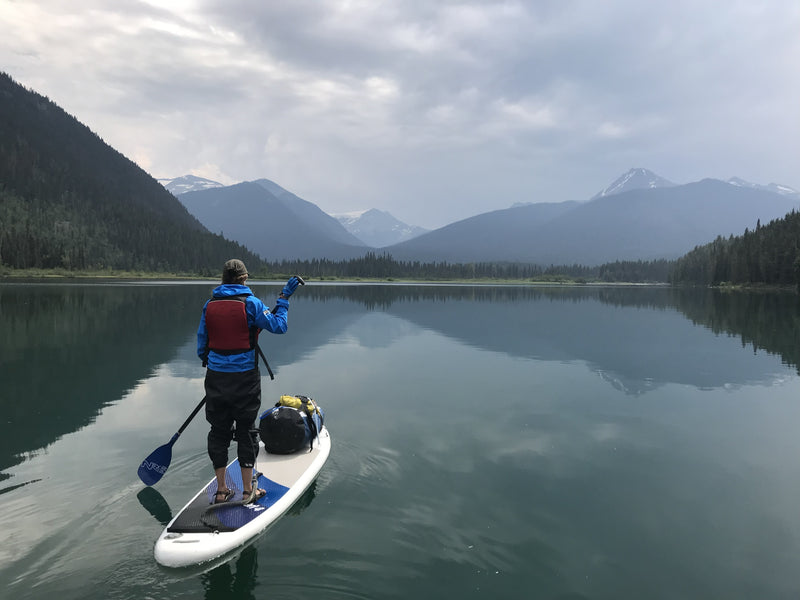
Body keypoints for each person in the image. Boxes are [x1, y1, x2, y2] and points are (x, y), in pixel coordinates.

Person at [196, 259, 302, 504]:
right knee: (246, 431)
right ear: (244, 279)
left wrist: (215, 365)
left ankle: (221, 490)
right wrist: (283, 300)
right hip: (245, 379)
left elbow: (202, 344)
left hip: (216, 378)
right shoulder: (252, 304)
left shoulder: (209, 305)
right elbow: (279, 326)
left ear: (223, 279)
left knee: (218, 431)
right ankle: (247, 491)